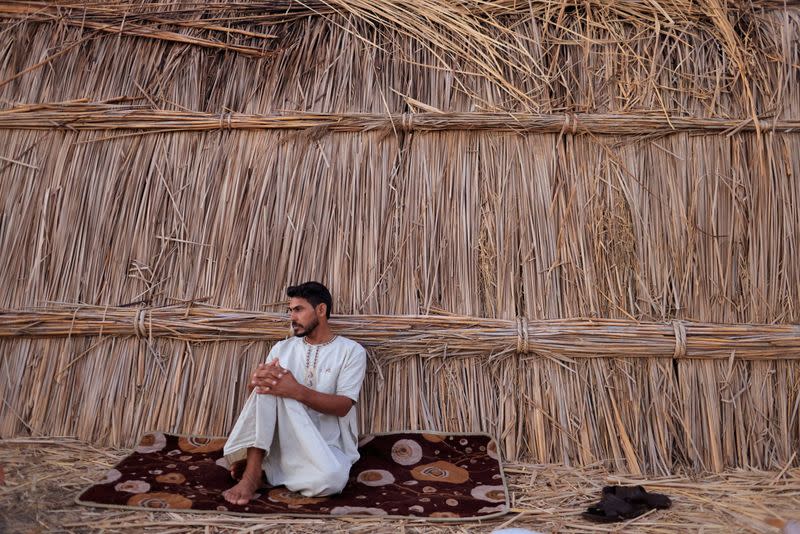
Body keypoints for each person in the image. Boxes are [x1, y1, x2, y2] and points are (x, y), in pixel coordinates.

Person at [222, 282, 367, 505]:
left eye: (298, 309)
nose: (292, 317)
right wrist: (255, 383)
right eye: (290, 311)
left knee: (331, 480)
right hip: (285, 439)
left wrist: (296, 391)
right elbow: (259, 398)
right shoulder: (282, 349)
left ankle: (268, 472)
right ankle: (252, 476)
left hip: (327, 445)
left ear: (321, 310)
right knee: (269, 384)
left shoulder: (351, 351)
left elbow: (343, 406)